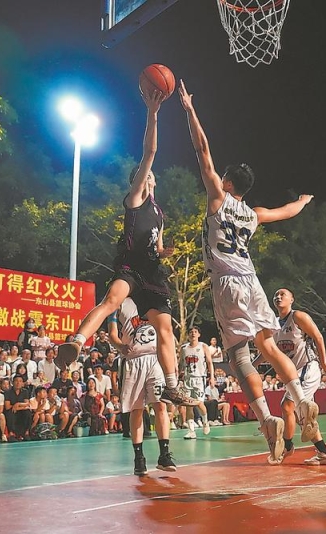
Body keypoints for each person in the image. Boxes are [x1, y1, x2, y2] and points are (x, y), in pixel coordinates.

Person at [179, 80, 320, 463]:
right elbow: (286, 211)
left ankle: (266, 419)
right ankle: (302, 400)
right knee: (268, 347)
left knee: (238, 356)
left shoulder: (217, 198)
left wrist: (190, 109)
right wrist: (303, 201)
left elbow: (202, 150)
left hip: (226, 283)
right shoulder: (254, 214)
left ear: (226, 182)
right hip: (252, 281)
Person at [55, 88, 195, 407]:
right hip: (131, 266)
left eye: (150, 177)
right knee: (111, 301)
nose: (149, 177)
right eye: (145, 176)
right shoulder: (134, 200)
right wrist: (153, 113)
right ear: (140, 180)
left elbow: (158, 246)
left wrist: (165, 252)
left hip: (152, 273)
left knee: (166, 330)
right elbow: (150, 152)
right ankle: (77, 342)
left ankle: (171, 386)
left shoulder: (159, 213)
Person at [108, 297, 177, 476]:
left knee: (161, 405)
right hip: (133, 360)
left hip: (156, 359)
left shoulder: (155, 298)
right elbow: (112, 334)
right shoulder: (118, 301)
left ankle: (164, 454)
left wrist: (173, 360)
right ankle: (139, 458)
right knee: (137, 409)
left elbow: (167, 332)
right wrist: (120, 346)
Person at [271, 288, 326, 465]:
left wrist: (323, 361)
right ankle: (325, 453)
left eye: (282, 294)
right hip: (294, 374)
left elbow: (318, 336)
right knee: (304, 417)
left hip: (308, 368)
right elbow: (268, 351)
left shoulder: (298, 316)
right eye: (276, 295)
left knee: (287, 406)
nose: (278, 297)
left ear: (292, 299)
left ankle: (287, 445)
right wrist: (251, 366)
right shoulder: (274, 324)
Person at [178, 326, 214, 439]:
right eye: (191, 332)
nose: (193, 334)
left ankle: (205, 422)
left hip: (199, 378)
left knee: (199, 403)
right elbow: (180, 364)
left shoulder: (203, 346)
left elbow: (209, 362)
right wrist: (177, 376)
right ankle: (191, 431)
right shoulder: (184, 348)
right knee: (188, 405)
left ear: (199, 334)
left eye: (195, 332)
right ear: (188, 335)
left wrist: (212, 377)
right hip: (187, 379)